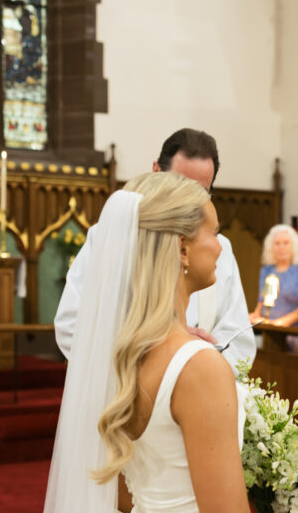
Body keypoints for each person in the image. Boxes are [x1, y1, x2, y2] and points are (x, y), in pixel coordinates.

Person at [18, 172, 298, 513]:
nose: (221, 245)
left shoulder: (122, 355)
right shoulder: (198, 365)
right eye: (213, 232)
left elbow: (129, 487)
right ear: (183, 250)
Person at [55, 128, 254, 370]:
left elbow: (239, 341)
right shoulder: (110, 237)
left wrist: (196, 358)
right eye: (180, 185)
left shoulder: (219, 248)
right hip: (125, 389)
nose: (188, 201)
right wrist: (164, 346)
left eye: (201, 192)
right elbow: (72, 325)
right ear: (156, 171)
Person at [248, 224, 298, 357]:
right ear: (270, 247)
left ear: (294, 246)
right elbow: (261, 305)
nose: (281, 247)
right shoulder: (267, 270)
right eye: (277, 243)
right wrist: (253, 316)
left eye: (286, 243)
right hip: (273, 333)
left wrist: (281, 323)